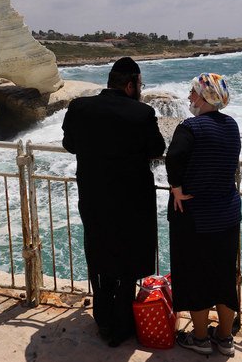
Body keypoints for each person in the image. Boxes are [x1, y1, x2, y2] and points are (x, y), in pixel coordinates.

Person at [61, 57, 166, 347]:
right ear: (131, 84)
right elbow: (157, 148)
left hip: (94, 199)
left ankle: (104, 320)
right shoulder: (142, 113)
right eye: (140, 84)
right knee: (128, 260)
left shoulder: (80, 108)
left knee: (100, 253)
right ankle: (122, 324)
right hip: (131, 202)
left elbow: (69, 144)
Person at [165, 73, 241, 356]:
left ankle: (199, 339)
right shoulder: (231, 126)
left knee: (196, 276)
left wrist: (176, 187)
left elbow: (173, 158)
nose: (189, 97)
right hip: (227, 215)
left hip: (195, 216)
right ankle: (224, 338)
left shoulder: (190, 127)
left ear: (204, 97)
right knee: (223, 277)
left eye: (193, 93)